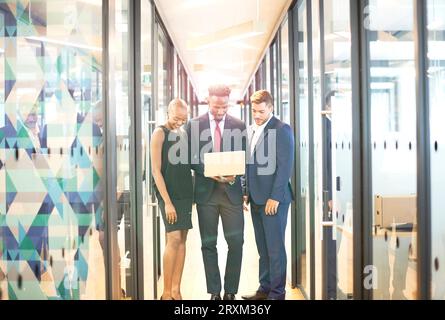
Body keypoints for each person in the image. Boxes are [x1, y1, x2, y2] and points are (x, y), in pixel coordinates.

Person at [186, 84, 246, 300]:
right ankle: (214, 292)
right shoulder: (193, 126)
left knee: (236, 243)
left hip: (232, 194)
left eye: (224, 107)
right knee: (208, 244)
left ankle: (230, 291)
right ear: (207, 100)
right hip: (206, 194)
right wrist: (208, 171)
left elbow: (245, 158)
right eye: (216, 107)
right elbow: (190, 158)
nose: (220, 111)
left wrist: (236, 176)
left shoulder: (239, 125)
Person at [242, 90, 294, 300]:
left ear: (271, 108)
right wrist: (245, 192)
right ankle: (264, 289)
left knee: (275, 249)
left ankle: (277, 293)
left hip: (274, 200)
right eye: (254, 111)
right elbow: (249, 164)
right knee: (263, 248)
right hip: (255, 198)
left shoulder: (281, 129)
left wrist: (275, 197)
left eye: (261, 111)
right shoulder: (252, 130)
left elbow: (285, 167)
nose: (257, 115)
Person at [151, 98, 193, 300]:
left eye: (184, 119)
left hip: (185, 192)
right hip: (169, 194)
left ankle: (177, 289)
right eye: (177, 118)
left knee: (183, 240)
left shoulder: (183, 133)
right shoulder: (159, 133)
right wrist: (167, 202)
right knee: (173, 238)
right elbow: (156, 171)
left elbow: (188, 164)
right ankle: (166, 292)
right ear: (168, 112)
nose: (180, 122)